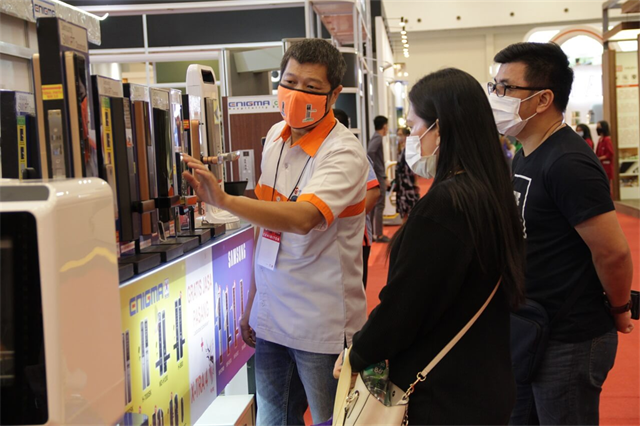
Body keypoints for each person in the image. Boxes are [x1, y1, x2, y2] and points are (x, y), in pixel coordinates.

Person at [183, 39, 369, 426]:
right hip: (271, 317)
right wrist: (252, 301)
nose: (296, 94)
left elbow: (303, 218)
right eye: (290, 82)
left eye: (311, 87)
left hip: (322, 324)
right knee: (272, 419)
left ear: (334, 94)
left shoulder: (343, 151)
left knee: (332, 420)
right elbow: (265, 226)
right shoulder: (275, 137)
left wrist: (224, 199)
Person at [336, 68, 526, 425]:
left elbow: (406, 306)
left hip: (442, 394)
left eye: (413, 127)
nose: (410, 138)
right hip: (483, 380)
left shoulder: (446, 205)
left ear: (440, 128)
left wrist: (358, 353)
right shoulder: (489, 192)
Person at [490, 42, 633, 426]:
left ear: (543, 99)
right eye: (495, 86)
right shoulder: (525, 152)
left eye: (506, 88)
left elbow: (613, 252)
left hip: (570, 336)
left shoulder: (568, 161)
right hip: (531, 326)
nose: (496, 96)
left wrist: (619, 308)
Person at [334, 108, 381, 287]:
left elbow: (373, 192)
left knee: (353, 290)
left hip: (355, 238)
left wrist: (350, 222)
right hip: (332, 240)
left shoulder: (352, 153)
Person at [367, 115, 390, 243]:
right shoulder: (378, 138)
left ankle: (372, 233)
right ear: (384, 126)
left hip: (376, 174)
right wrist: (376, 172)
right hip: (378, 176)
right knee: (380, 205)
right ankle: (379, 234)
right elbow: (370, 152)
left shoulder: (375, 137)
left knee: (374, 205)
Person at [394, 127, 420, 222]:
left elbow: (414, 167)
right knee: (403, 212)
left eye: (401, 135)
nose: (399, 137)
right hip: (401, 186)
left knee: (410, 211)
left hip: (409, 185)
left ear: (407, 136)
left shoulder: (410, 150)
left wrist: (416, 183)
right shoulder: (401, 149)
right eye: (398, 135)